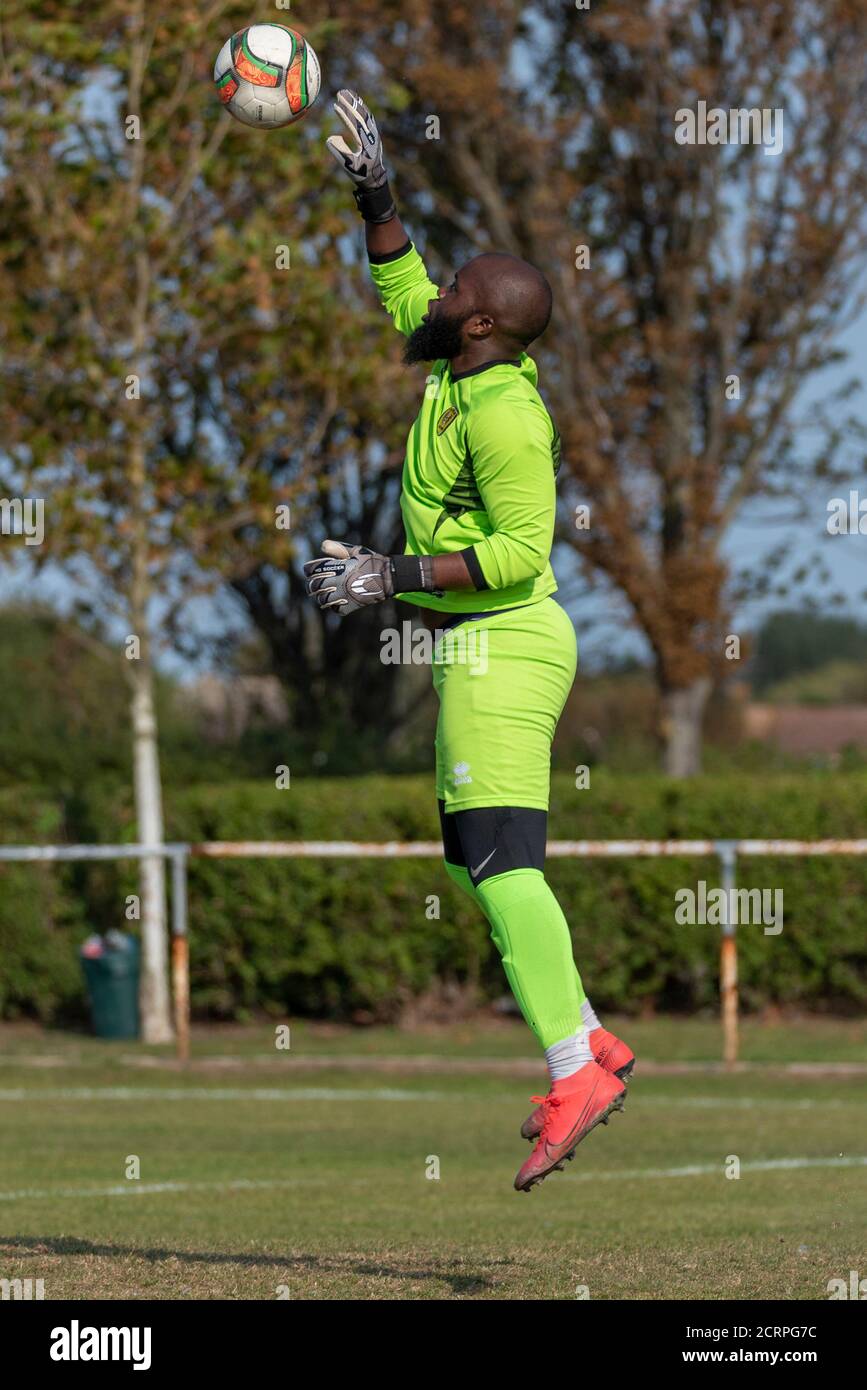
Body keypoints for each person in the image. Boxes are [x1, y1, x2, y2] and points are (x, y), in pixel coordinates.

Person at [304, 90, 634, 1192]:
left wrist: (380, 574)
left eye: (456, 292)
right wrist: (376, 198)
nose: (438, 295)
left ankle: (572, 1066)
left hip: (507, 637)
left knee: (502, 864)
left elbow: (517, 553)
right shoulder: (459, 367)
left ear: (485, 323)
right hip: (475, 649)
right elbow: (403, 296)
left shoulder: (502, 413)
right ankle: (590, 1033)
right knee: (478, 860)